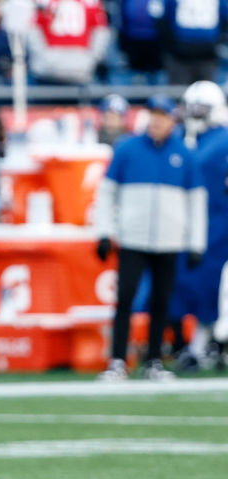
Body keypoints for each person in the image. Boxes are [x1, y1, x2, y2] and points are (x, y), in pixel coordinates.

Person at [95, 95, 207, 381]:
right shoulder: (127, 150)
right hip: (133, 238)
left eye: (163, 115)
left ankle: (154, 360)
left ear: (173, 120)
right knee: (125, 298)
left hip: (169, 240)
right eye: (153, 114)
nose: (157, 121)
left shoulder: (184, 154)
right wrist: (104, 231)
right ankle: (118, 359)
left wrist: (196, 243)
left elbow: (196, 201)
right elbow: (107, 192)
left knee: (162, 301)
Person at [170, 82, 228, 369]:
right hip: (179, 225)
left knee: (210, 288)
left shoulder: (223, 139)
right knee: (176, 288)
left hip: (217, 223)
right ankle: (183, 344)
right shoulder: (179, 137)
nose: (195, 113)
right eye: (191, 106)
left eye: (201, 108)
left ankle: (201, 346)